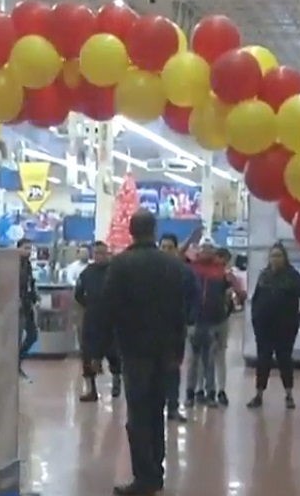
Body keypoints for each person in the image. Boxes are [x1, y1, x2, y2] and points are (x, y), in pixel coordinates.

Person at [87, 211, 188, 496]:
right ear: (154, 231)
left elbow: (106, 309)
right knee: (157, 412)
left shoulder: (121, 266)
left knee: (139, 415)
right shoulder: (172, 265)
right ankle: (156, 472)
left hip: (134, 350)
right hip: (165, 350)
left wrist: (96, 351)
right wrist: (178, 349)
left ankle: (144, 476)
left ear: (131, 231)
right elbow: (181, 311)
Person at [246, 242, 300, 409]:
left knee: (284, 361)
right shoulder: (264, 275)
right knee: (263, 360)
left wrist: (297, 319)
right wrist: (255, 318)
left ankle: (289, 394)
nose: (275, 259)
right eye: (273, 256)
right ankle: (259, 394)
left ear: (285, 258)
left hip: (285, 327)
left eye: (278, 256)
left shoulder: (293, 276)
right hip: (263, 327)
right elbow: (256, 299)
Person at [184, 239, 244, 408]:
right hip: (195, 320)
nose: (207, 252)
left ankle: (214, 391)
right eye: (204, 248)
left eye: (210, 249)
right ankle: (195, 391)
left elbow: (237, 290)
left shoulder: (221, 271)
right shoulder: (192, 268)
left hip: (216, 319)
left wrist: (234, 298)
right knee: (194, 359)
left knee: (212, 357)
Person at [159, 233, 199, 420]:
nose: (166, 251)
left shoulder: (185, 272)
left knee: (173, 369)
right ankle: (155, 408)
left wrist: (190, 320)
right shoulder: (152, 270)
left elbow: (194, 297)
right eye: (163, 247)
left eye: (169, 247)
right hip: (152, 328)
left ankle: (173, 407)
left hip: (176, 329)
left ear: (176, 249)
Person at [75, 241, 121, 402]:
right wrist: (89, 304)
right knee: (87, 355)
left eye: (102, 253)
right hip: (92, 319)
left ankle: (116, 379)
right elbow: (78, 293)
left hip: (112, 319)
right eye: (96, 253)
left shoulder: (115, 272)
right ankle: (91, 389)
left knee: (114, 353)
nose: (99, 256)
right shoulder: (87, 273)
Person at [212, 246, 246, 406]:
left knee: (214, 356)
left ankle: (217, 389)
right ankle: (215, 389)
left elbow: (241, 294)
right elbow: (241, 294)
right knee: (214, 356)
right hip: (218, 318)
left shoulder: (228, 276)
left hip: (219, 319)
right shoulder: (224, 275)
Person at [17, 238, 39, 379]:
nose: (28, 251)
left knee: (32, 335)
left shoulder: (28, 265)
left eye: (30, 248)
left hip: (27, 304)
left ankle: (17, 360)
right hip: (16, 305)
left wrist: (34, 298)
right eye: (25, 248)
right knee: (17, 336)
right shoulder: (13, 264)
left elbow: (30, 284)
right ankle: (14, 365)